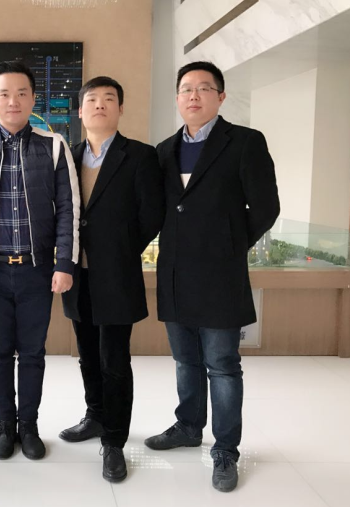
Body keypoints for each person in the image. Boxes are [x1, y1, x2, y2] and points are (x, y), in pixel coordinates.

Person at [144, 61, 280, 492]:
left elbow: (266, 207)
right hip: (175, 272)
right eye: (186, 89)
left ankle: (225, 450)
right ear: (177, 98)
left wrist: (229, 244)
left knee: (221, 365)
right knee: (185, 360)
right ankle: (188, 427)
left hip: (221, 273)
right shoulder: (164, 150)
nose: (194, 95)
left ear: (220, 97)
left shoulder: (244, 142)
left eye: (204, 88)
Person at [0, 61, 80, 461]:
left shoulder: (53, 145)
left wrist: (64, 263)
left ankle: (29, 426)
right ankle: (5, 425)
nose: (13, 101)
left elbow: (68, 209)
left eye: (21, 93)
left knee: (34, 353)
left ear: (33, 99)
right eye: (4, 94)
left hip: (37, 271)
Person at [59, 76, 164, 482]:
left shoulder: (139, 155)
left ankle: (115, 441)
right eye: (91, 99)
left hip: (117, 275)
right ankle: (96, 416)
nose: (99, 105)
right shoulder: (67, 156)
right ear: (80, 110)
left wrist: (119, 249)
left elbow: (151, 214)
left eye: (109, 99)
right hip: (77, 275)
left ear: (120, 109)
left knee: (115, 360)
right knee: (87, 353)